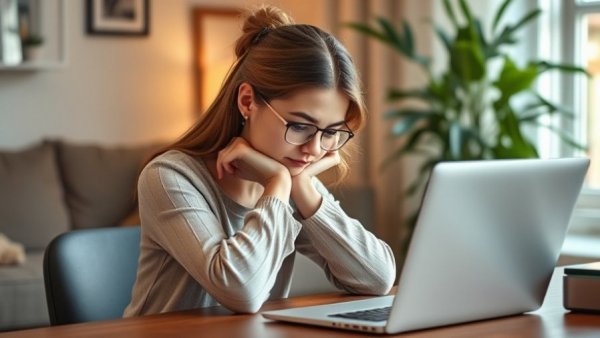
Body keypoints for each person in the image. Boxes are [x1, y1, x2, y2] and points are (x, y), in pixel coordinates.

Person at [123, 5, 396, 316]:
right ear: (247, 101)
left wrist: (299, 185)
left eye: (331, 132)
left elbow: (377, 278)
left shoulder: (294, 178)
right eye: (300, 126)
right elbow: (243, 292)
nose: (314, 149)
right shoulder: (168, 177)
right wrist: (278, 185)